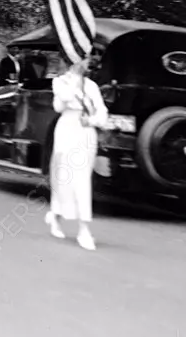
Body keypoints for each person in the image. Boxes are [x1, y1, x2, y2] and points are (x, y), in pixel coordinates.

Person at [44, 56, 109, 251]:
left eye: (87, 60)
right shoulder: (60, 81)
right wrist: (74, 82)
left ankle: (84, 229)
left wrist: (93, 121)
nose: (85, 64)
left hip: (86, 133)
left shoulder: (92, 86)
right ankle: (56, 215)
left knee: (82, 180)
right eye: (82, 59)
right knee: (64, 177)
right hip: (66, 129)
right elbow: (60, 104)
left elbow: (102, 111)